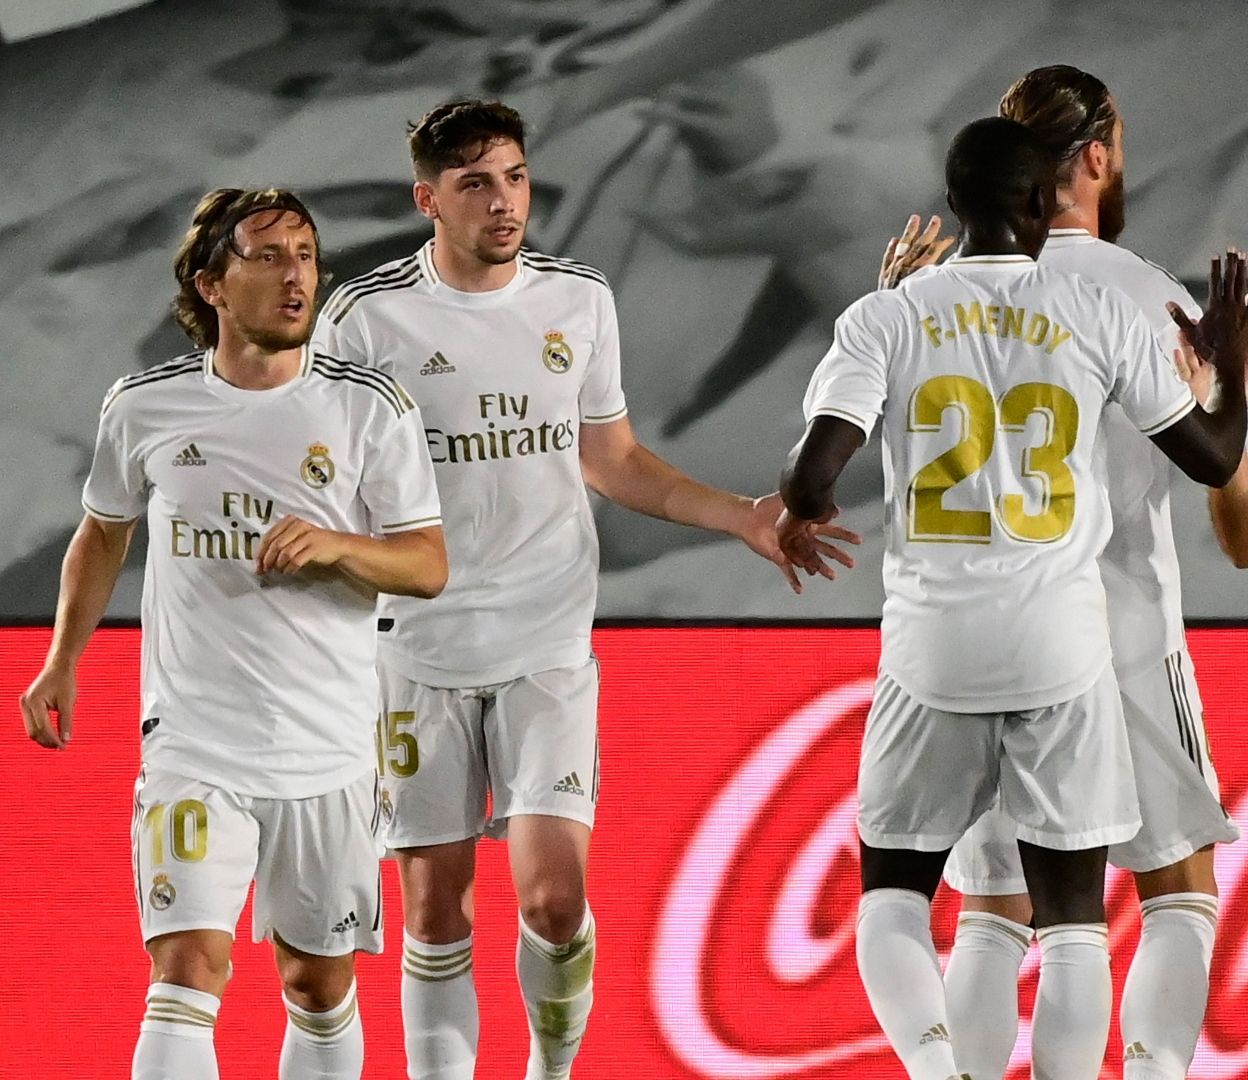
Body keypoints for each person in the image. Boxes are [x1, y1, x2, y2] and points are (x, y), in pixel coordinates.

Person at [308, 99, 854, 1080]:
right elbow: (325, 483)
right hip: (416, 653)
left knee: (554, 904)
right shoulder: (367, 318)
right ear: (428, 198)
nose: (503, 200)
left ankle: (551, 1071)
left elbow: (613, 460)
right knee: (436, 910)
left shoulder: (577, 301)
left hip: (547, 648)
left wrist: (741, 515)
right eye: (475, 182)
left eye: (514, 177)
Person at [776, 115, 1248, 1080]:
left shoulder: (890, 314)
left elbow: (811, 478)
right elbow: (1213, 457)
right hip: (1063, 647)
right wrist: (1234, 359)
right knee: (1075, 926)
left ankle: (935, 1066)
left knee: (895, 899)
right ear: (1040, 204)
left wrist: (806, 507)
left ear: (953, 207)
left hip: (932, 649)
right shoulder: (1097, 309)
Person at [18, 188, 448, 1080]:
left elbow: (427, 566)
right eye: (268, 255)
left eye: (306, 253)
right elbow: (102, 531)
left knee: (319, 985)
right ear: (211, 283)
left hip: (327, 747)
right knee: (185, 972)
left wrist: (338, 546)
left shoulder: (372, 409)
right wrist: (61, 659)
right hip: (194, 743)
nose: (297, 275)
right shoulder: (144, 408)